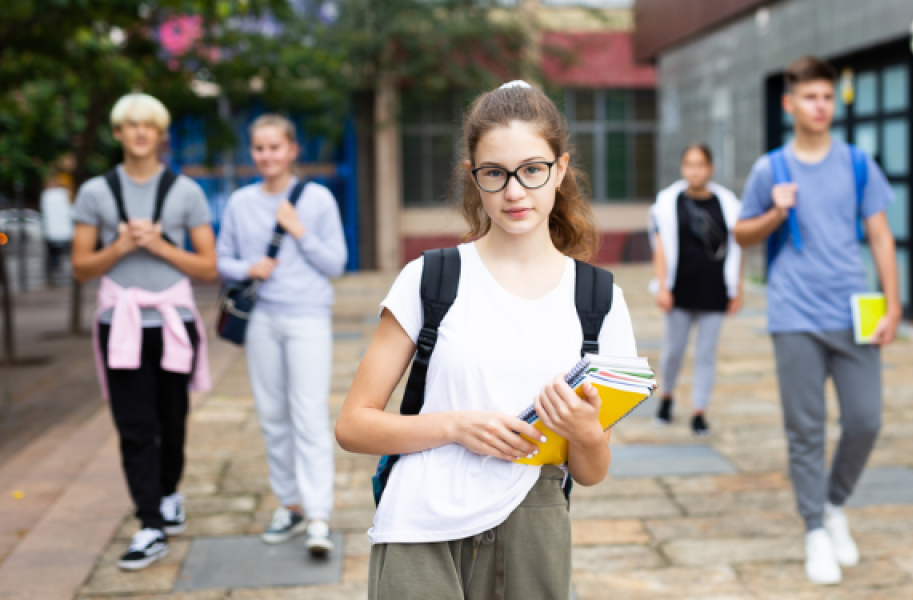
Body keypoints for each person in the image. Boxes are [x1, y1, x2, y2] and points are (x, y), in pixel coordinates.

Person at [336, 80, 636, 599]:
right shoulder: (430, 278)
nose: (514, 191)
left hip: (535, 520)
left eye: (532, 170)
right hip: (419, 524)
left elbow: (591, 472)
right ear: (474, 177)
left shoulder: (599, 299)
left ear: (560, 169)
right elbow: (353, 425)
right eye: (495, 174)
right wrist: (455, 426)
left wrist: (585, 432)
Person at [733, 56, 901, 586]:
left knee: (866, 419)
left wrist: (893, 304)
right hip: (795, 314)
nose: (820, 106)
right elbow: (741, 235)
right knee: (805, 431)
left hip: (855, 311)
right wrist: (775, 213)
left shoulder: (857, 163)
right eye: (810, 97)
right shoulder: (771, 169)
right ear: (790, 105)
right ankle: (814, 530)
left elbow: (879, 236)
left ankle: (833, 504)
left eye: (827, 97)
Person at [71, 93, 217, 570]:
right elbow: (81, 268)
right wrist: (117, 247)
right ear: (117, 133)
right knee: (133, 426)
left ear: (160, 135)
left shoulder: (185, 192)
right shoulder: (95, 191)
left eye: (148, 126)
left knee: (171, 422)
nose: (139, 133)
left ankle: (168, 492)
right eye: (130, 125)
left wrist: (159, 245)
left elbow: (207, 266)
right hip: (122, 325)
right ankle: (149, 523)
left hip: (172, 323)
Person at [216, 114, 347, 557]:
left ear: (292, 150)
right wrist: (246, 268)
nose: (267, 155)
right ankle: (289, 505)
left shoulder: (318, 199)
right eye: (259, 148)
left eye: (275, 147)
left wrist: (299, 231)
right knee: (272, 415)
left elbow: (336, 263)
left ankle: (318, 516)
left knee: (308, 414)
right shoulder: (240, 202)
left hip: (308, 317)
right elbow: (223, 260)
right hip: (261, 321)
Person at [649, 143, 743, 437]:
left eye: (700, 164)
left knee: (706, 354)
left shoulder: (728, 204)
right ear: (682, 168)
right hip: (680, 290)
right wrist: (662, 285)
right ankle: (666, 396)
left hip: (715, 290)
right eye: (689, 164)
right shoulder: (668, 203)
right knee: (674, 351)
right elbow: (660, 247)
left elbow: (737, 248)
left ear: (710, 168)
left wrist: (737, 289)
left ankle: (699, 411)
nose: (695, 170)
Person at [40, 174, 74, 285]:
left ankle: (55, 273)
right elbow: (72, 212)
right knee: (68, 254)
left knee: (54, 256)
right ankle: (69, 274)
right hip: (67, 232)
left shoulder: (46, 195)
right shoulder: (66, 194)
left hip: (51, 233)